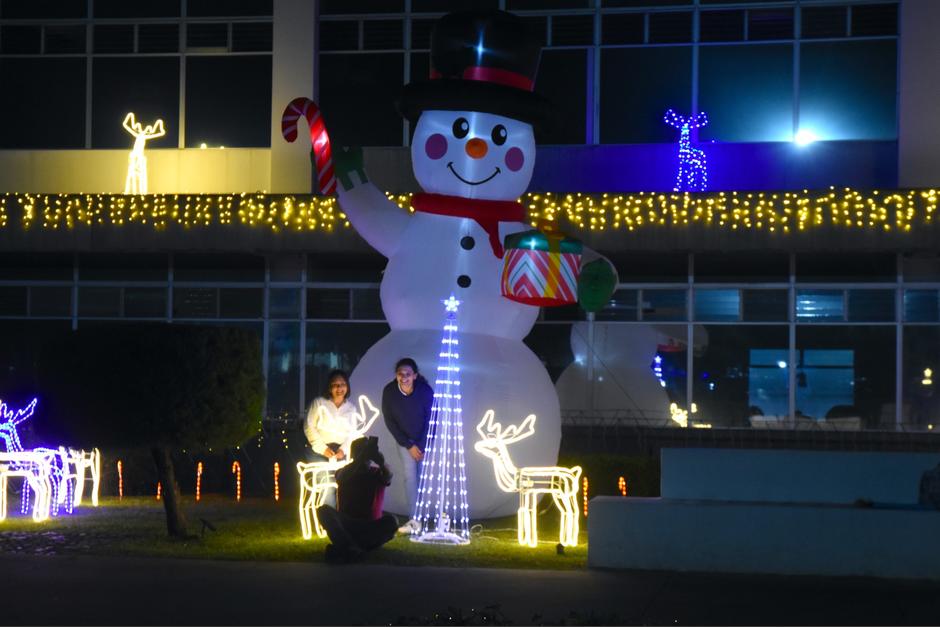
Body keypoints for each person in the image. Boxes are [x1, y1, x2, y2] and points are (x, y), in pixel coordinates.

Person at [316, 436, 399, 563]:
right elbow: (341, 477)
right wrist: (361, 458)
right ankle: (351, 548)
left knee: (392, 521)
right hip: (348, 525)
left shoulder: (377, 472)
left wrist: (380, 461)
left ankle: (347, 548)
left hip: (370, 526)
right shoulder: (345, 472)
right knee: (323, 510)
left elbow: (389, 475)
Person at [381, 357, 434, 534]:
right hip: (404, 441)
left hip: (424, 440)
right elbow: (390, 421)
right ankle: (415, 520)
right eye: (400, 374)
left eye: (408, 374)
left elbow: (431, 420)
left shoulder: (425, 391)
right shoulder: (389, 392)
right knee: (411, 478)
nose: (404, 377)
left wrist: (422, 445)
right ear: (396, 376)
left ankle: (423, 518)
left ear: (415, 375)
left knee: (423, 478)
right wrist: (409, 445)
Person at [303, 369, 361, 507]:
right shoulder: (319, 403)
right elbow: (308, 426)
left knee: (344, 485)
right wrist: (323, 448)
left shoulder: (351, 408)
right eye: (335, 384)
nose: (339, 388)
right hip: (319, 451)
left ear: (347, 386)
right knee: (327, 485)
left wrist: (343, 450)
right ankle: (330, 521)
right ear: (329, 387)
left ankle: (342, 519)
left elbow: (352, 433)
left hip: (340, 452)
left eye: (342, 384)